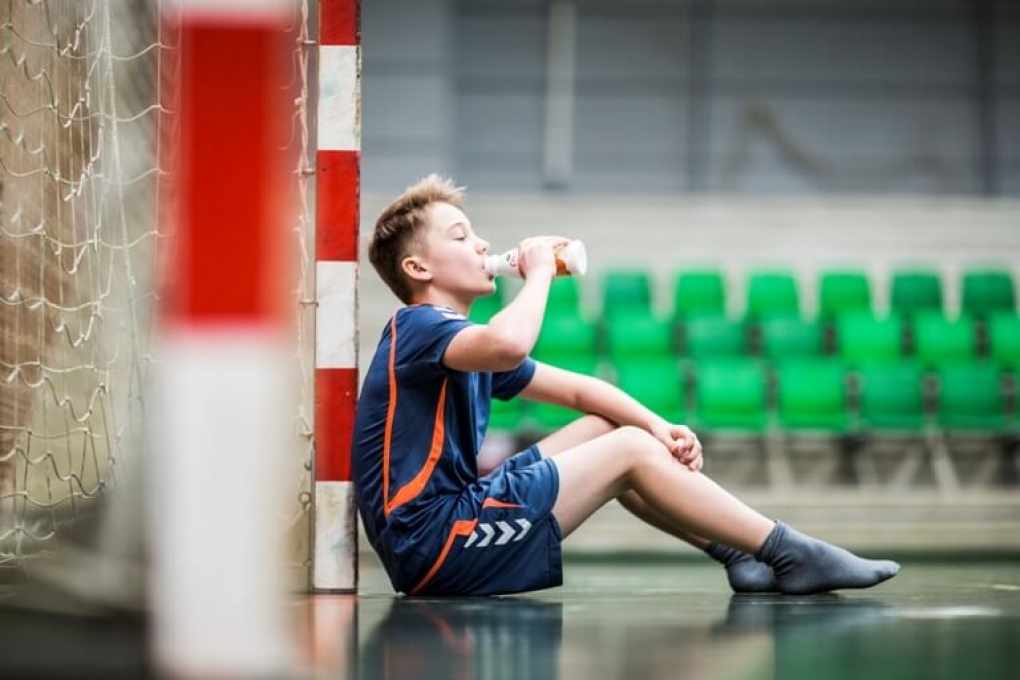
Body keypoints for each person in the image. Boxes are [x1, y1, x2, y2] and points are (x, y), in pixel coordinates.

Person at [352, 174, 900, 597]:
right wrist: (539, 273)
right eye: (461, 236)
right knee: (629, 450)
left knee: (611, 429)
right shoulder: (418, 327)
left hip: (453, 519)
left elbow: (581, 393)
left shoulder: (463, 344)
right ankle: (788, 551)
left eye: (476, 233)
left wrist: (662, 427)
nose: (482, 244)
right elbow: (510, 343)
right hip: (434, 542)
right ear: (417, 268)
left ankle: (741, 556)